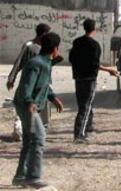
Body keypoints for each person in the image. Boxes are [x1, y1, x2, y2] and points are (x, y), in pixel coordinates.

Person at [12, 32, 64, 189]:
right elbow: (28, 84)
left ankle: (21, 176)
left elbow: (42, 86)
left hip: (28, 105)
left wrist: (53, 98)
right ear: (55, 48)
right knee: (39, 138)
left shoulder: (45, 63)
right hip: (28, 106)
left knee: (29, 140)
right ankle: (33, 177)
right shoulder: (37, 63)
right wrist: (29, 102)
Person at [69, 18, 118, 143]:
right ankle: (79, 134)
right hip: (89, 78)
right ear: (94, 29)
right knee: (85, 106)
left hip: (78, 77)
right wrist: (109, 70)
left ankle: (88, 126)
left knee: (83, 104)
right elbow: (95, 64)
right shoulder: (94, 45)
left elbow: (72, 58)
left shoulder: (77, 42)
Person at [7, 23, 52, 141]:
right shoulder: (29, 46)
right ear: (43, 34)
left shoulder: (46, 47)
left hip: (42, 84)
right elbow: (18, 62)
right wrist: (11, 78)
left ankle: (40, 129)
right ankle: (19, 130)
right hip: (29, 83)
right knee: (25, 104)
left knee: (42, 106)